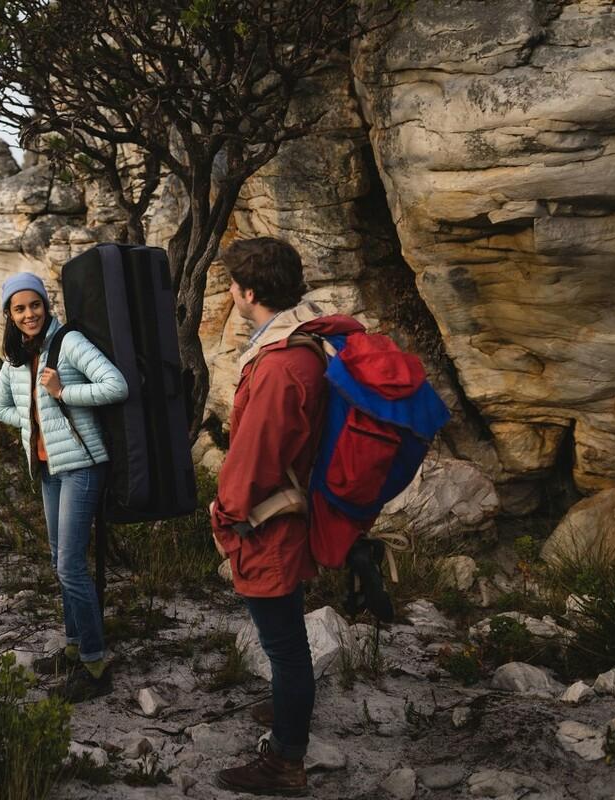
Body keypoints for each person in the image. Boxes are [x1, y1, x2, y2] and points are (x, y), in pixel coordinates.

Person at [210, 237, 358, 796]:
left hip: (271, 523)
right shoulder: (301, 345)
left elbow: (254, 459)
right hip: (291, 513)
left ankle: (285, 762)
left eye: (232, 286)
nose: (230, 293)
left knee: (286, 647)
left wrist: (224, 511)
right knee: (286, 638)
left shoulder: (279, 368)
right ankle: (287, 710)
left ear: (249, 292)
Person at [0, 272, 127, 703]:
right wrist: (30, 426)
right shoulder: (15, 356)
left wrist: (64, 391)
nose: (29, 314)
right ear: (10, 316)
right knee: (58, 560)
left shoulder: (68, 342)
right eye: (19, 308)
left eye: (34, 305)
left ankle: (94, 660)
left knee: (70, 565)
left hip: (83, 465)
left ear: (46, 305)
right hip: (49, 469)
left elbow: (115, 385)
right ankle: (73, 645)